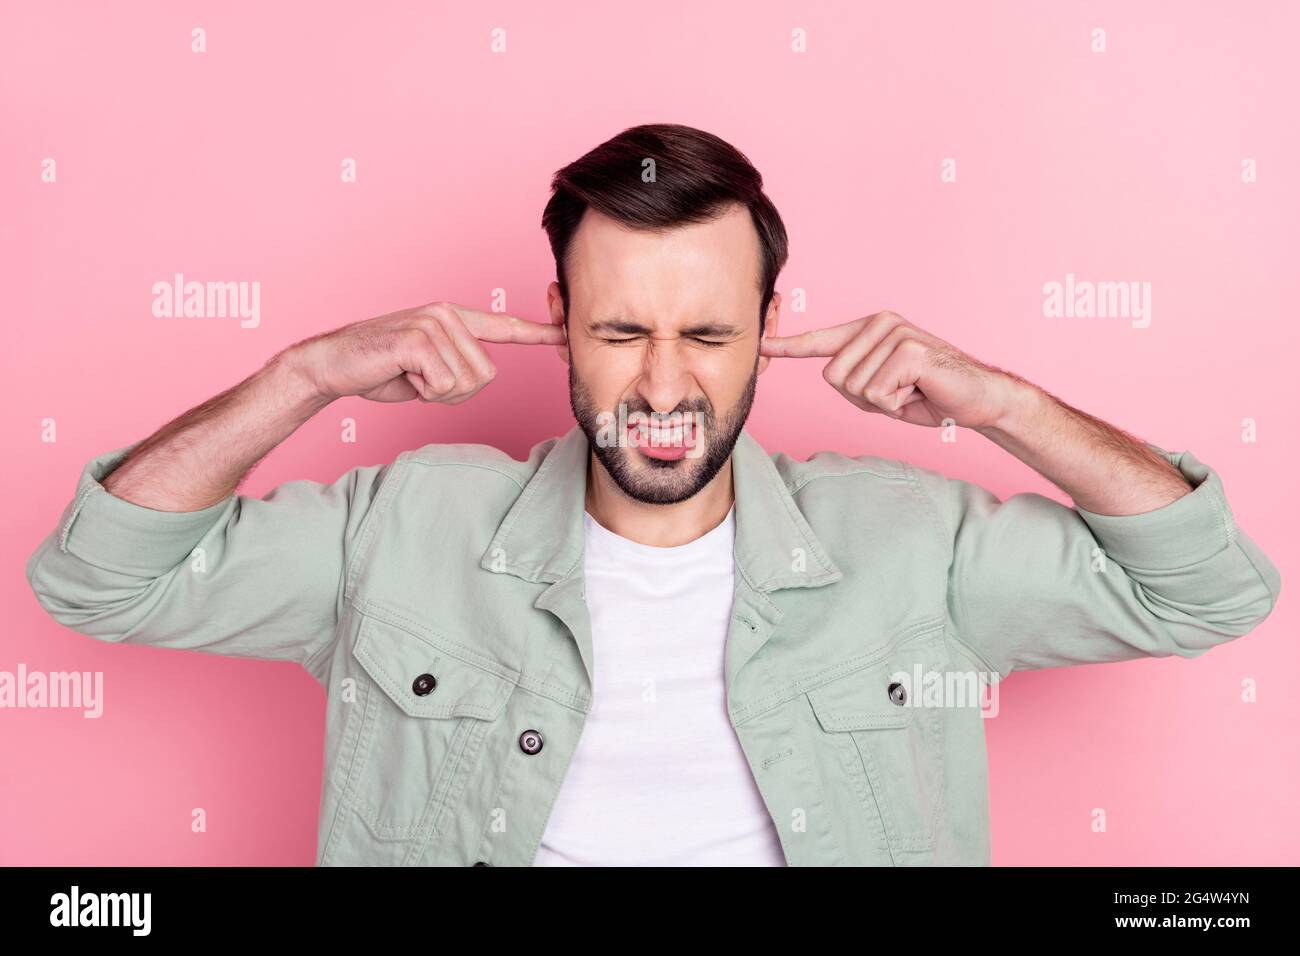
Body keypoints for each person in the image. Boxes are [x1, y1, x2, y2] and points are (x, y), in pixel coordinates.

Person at [26, 123, 1282, 866]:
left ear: (768, 330)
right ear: (560, 321)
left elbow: (1206, 590)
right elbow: (97, 578)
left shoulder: (911, 542)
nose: (664, 384)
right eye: (622, 330)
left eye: (709, 332)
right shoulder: (400, 529)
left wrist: (1000, 401)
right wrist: (304, 374)